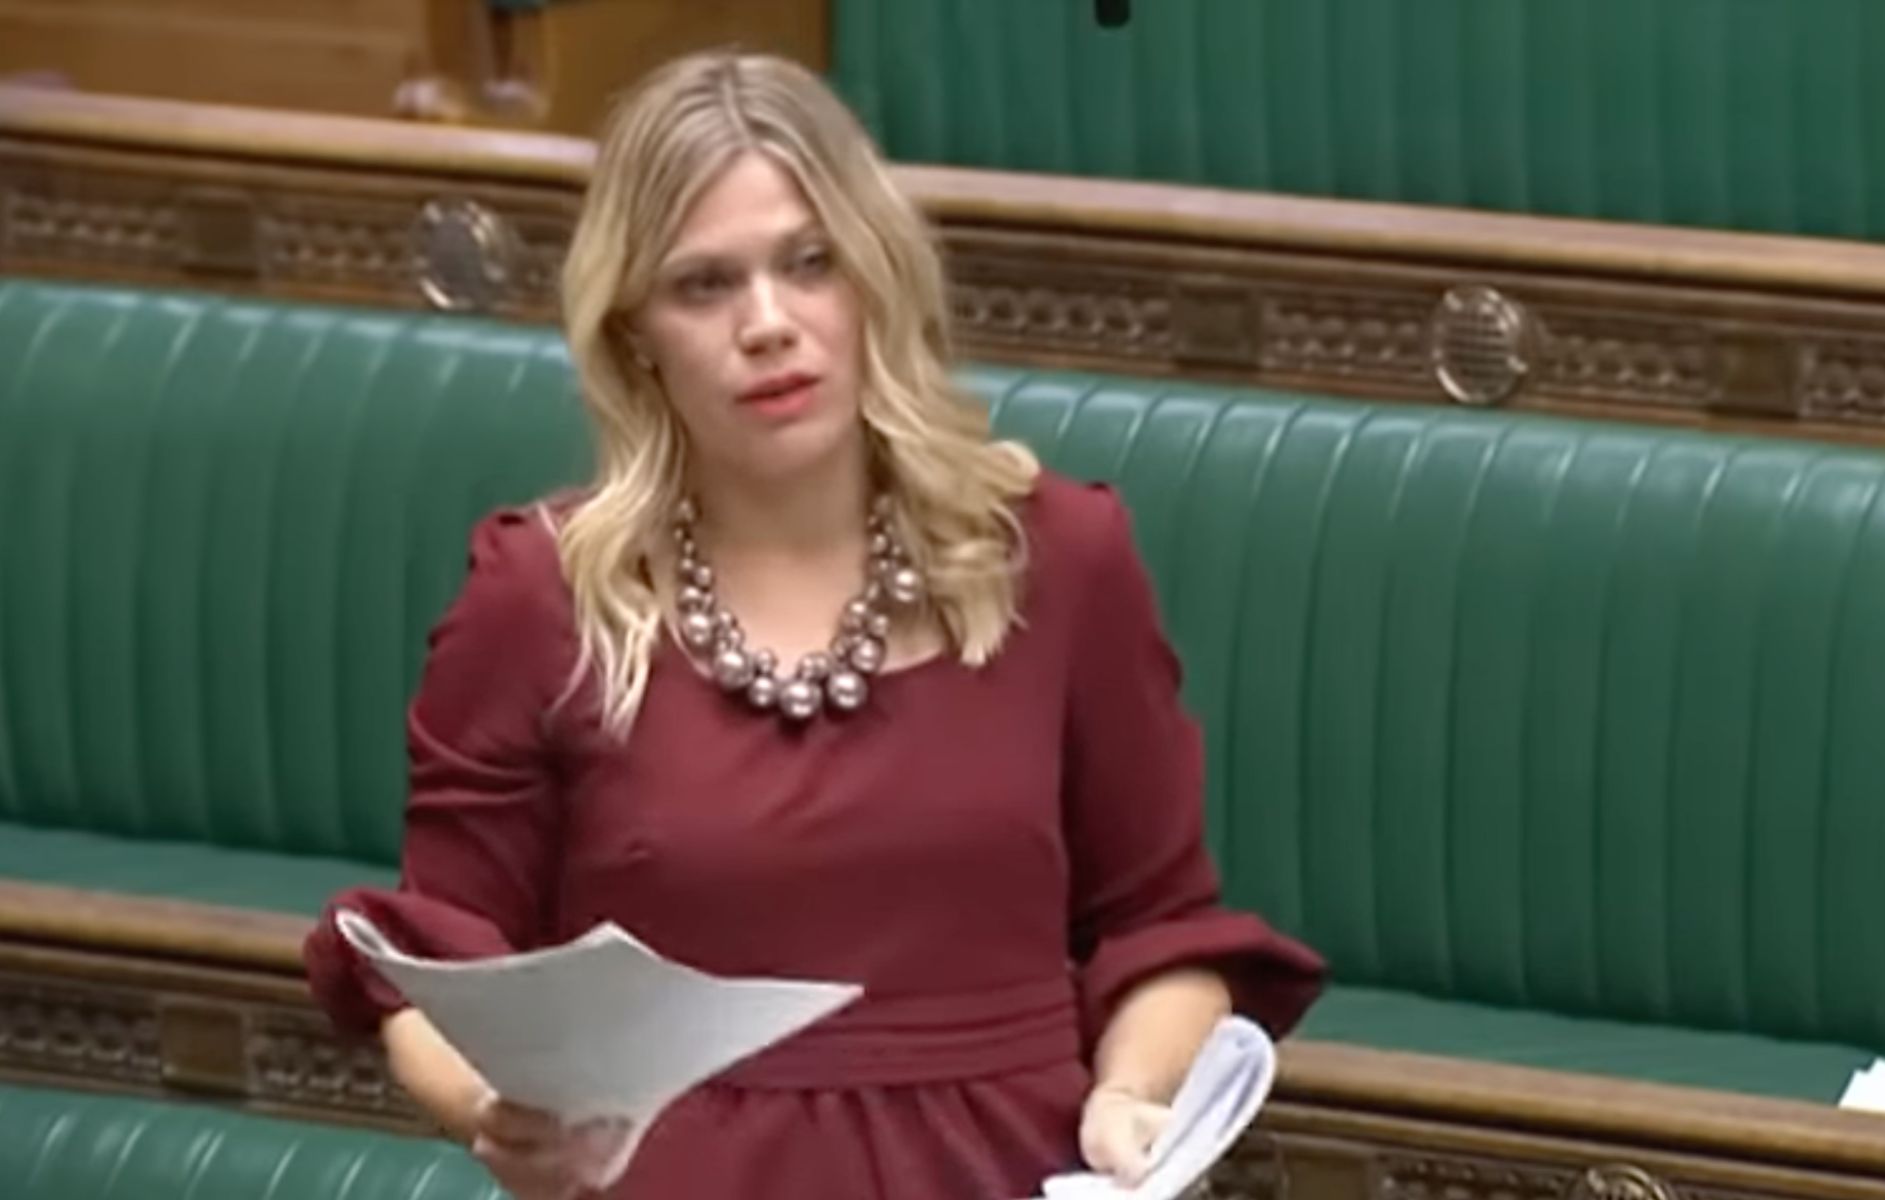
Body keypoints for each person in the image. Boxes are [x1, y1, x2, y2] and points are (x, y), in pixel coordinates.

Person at [301, 49, 1325, 1200]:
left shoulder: (1058, 560)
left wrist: (1130, 1103)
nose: (769, 324)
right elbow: (437, 959)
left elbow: (1162, 931)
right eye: (704, 285)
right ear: (633, 328)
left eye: (808, 263)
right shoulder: (540, 595)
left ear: (874, 275)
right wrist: (495, 1113)